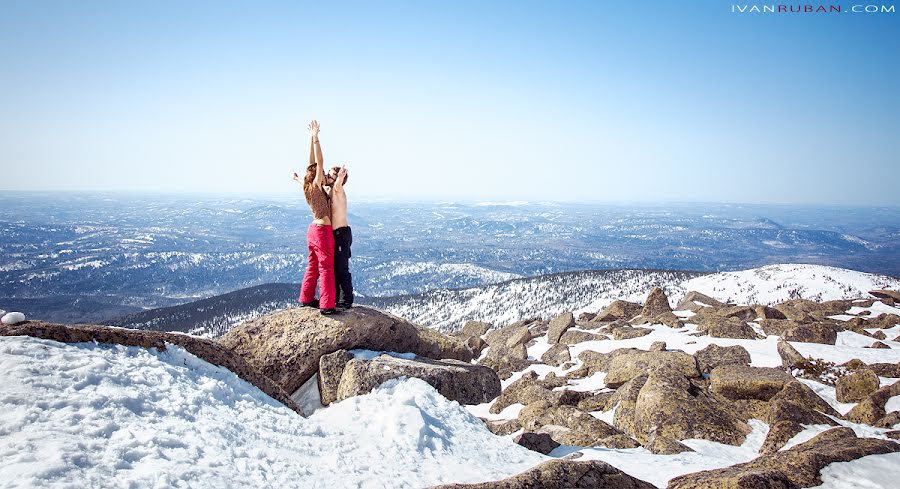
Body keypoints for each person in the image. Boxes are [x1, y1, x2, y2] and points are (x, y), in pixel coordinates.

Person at [292, 120, 337, 315]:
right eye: (321, 173)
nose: (324, 174)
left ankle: (305, 298)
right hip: (322, 231)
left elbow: (311, 164)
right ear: (316, 175)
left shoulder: (307, 185)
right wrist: (316, 138)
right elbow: (319, 161)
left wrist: (310, 139)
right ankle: (327, 305)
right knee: (326, 267)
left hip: (311, 231)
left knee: (312, 265)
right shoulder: (317, 185)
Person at [327, 165, 354, 309]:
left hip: (341, 234)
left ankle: (346, 301)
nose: (327, 177)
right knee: (336, 268)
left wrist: (340, 177)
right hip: (337, 235)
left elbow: (337, 184)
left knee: (342, 268)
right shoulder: (331, 191)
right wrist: (298, 179)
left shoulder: (338, 190)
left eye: (330, 176)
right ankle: (338, 299)